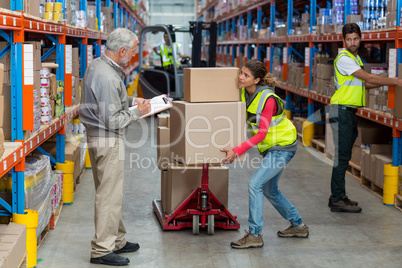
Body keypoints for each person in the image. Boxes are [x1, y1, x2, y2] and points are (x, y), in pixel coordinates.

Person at [80, 28, 151, 266]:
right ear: (121, 50)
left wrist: (132, 102)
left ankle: (117, 240)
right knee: (109, 195)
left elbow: (108, 101)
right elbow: (113, 120)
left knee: (111, 192)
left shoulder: (99, 65)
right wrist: (137, 113)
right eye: (131, 51)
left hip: (98, 136)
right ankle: (102, 249)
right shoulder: (109, 77)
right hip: (107, 139)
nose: (132, 56)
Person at [221, 60, 309, 249]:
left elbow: (262, 133)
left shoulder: (267, 99)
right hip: (272, 148)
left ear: (257, 79)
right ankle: (298, 226)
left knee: (255, 184)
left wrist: (237, 151)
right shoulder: (246, 93)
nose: (241, 77)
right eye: (241, 73)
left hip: (282, 147)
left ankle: (255, 234)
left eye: (246, 75)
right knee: (270, 190)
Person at [329, 23, 402, 213]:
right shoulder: (344, 59)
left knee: (344, 156)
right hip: (341, 111)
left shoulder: (355, 58)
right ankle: (337, 199)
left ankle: (339, 195)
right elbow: (368, 79)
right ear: (344, 41)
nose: (353, 42)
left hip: (349, 112)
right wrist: (394, 81)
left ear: (360, 39)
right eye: (349, 39)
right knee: (342, 157)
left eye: (356, 38)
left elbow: (364, 85)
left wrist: (384, 81)